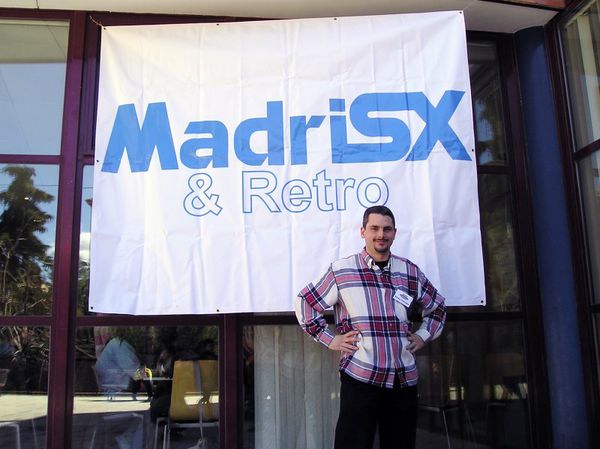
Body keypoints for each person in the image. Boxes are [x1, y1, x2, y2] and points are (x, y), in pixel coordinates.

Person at [295, 205, 446, 449]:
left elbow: (437, 308)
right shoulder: (342, 271)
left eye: (387, 229)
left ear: (394, 233)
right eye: (374, 228)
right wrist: (331, 340)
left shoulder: (409, 271)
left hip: (402, 379)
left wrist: (422, 336)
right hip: (361, 376)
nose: (381, 235)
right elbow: (306, 302)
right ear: (363, 231)